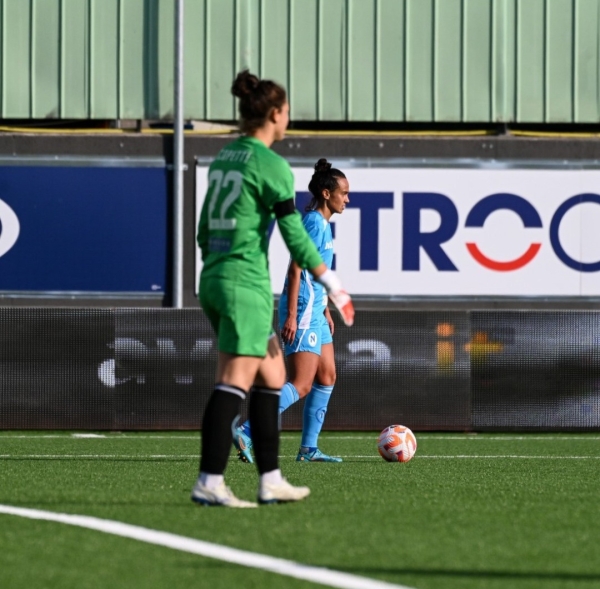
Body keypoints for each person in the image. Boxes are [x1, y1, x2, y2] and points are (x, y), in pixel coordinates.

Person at [191, 70, 355, 508]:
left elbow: (204, 227)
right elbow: (295, 239)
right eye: (287, 112)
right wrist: (332, 284)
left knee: (271, 377)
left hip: (215, 276)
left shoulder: (227, 157)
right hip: (245, 282)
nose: (288, 119)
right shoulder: (272, 166)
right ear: (275, 114)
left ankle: (271, 479)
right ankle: (210, 479)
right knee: (233, 381)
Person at [234, 159, 349, 463]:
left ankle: (308, 449)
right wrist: (293, 316)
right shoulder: (313, 222)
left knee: (327, 376)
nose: (347, 199)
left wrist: (325, 309)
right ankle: (247, 431)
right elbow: (295, 267)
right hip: (303, 310)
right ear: (327, 194)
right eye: (344, 193)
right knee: (301, 384)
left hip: (315, 309)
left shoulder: (322, 224)